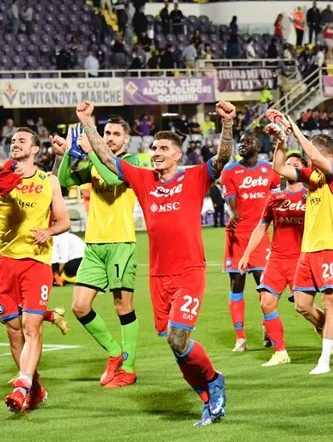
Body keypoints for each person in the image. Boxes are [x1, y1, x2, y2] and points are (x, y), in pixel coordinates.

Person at [77, 100, 234, 426]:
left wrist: (227, 124)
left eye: (163, 147)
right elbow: (107, 157)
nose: (156, 151)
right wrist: (87, 122)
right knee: (175, 345)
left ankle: (214, 379)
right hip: (158, 275)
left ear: (178, 154)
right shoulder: (143, 178)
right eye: (154, 147)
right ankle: (207, 397)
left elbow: (221, 159)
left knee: (179, 337)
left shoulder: (194, 177)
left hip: (190, 270)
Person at [0, 129, 71, 412]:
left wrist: (48, 231)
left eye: (21, 141)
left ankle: (21, 386)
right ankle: (34, 387)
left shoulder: (49, 181)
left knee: (30, 326)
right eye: (12, 141)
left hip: (36, 263)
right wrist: (2, 162)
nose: (15, 144)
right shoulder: (4, 172)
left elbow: (64, 222)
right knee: (13, 331)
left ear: (35, 150)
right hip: (6, 261)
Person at [55, 118, 143, 389]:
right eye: (107, 133)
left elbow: (114, 177)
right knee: (80, 306)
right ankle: (114, 352)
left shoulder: (133, 161)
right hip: (93, 245)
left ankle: (128, 369)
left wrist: (91, 150)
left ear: (126, 139)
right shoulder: (93, 162)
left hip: (121, 243)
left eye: (117, 134)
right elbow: (64, 180)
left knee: (122, 307)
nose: (111, 137)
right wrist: (68, 153)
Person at [265, 110, 333, 375]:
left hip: (330, 246)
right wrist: (281, 141)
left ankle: (324, 360)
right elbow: (279, 168)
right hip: (308, 249)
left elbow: (312, 156)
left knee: (329, 301)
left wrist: (294, 128)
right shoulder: (312, 176)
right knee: (302, 305)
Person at [238, 151, 308, 367]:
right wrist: (246, 254)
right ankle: (280, 352)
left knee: (306, 308)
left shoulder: (312, 196)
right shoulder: (275, 198)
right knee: (266, 303)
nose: (289, 166)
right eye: (287, 163)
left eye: (295, 164)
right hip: (276, 258)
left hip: (302, 259)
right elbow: (261, 227)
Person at [219, 131, 280, 353]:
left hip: (261, 235)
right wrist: (234, 213)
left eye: (248, 141)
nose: (243, 144)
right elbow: (230, 199)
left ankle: (267, 327)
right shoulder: (230, 171)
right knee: (237, 284)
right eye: (241, 141)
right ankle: (240, 338)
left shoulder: (270, 171)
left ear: (259, 145)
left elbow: (276, 199)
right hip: (237, 234)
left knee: (264, 286)